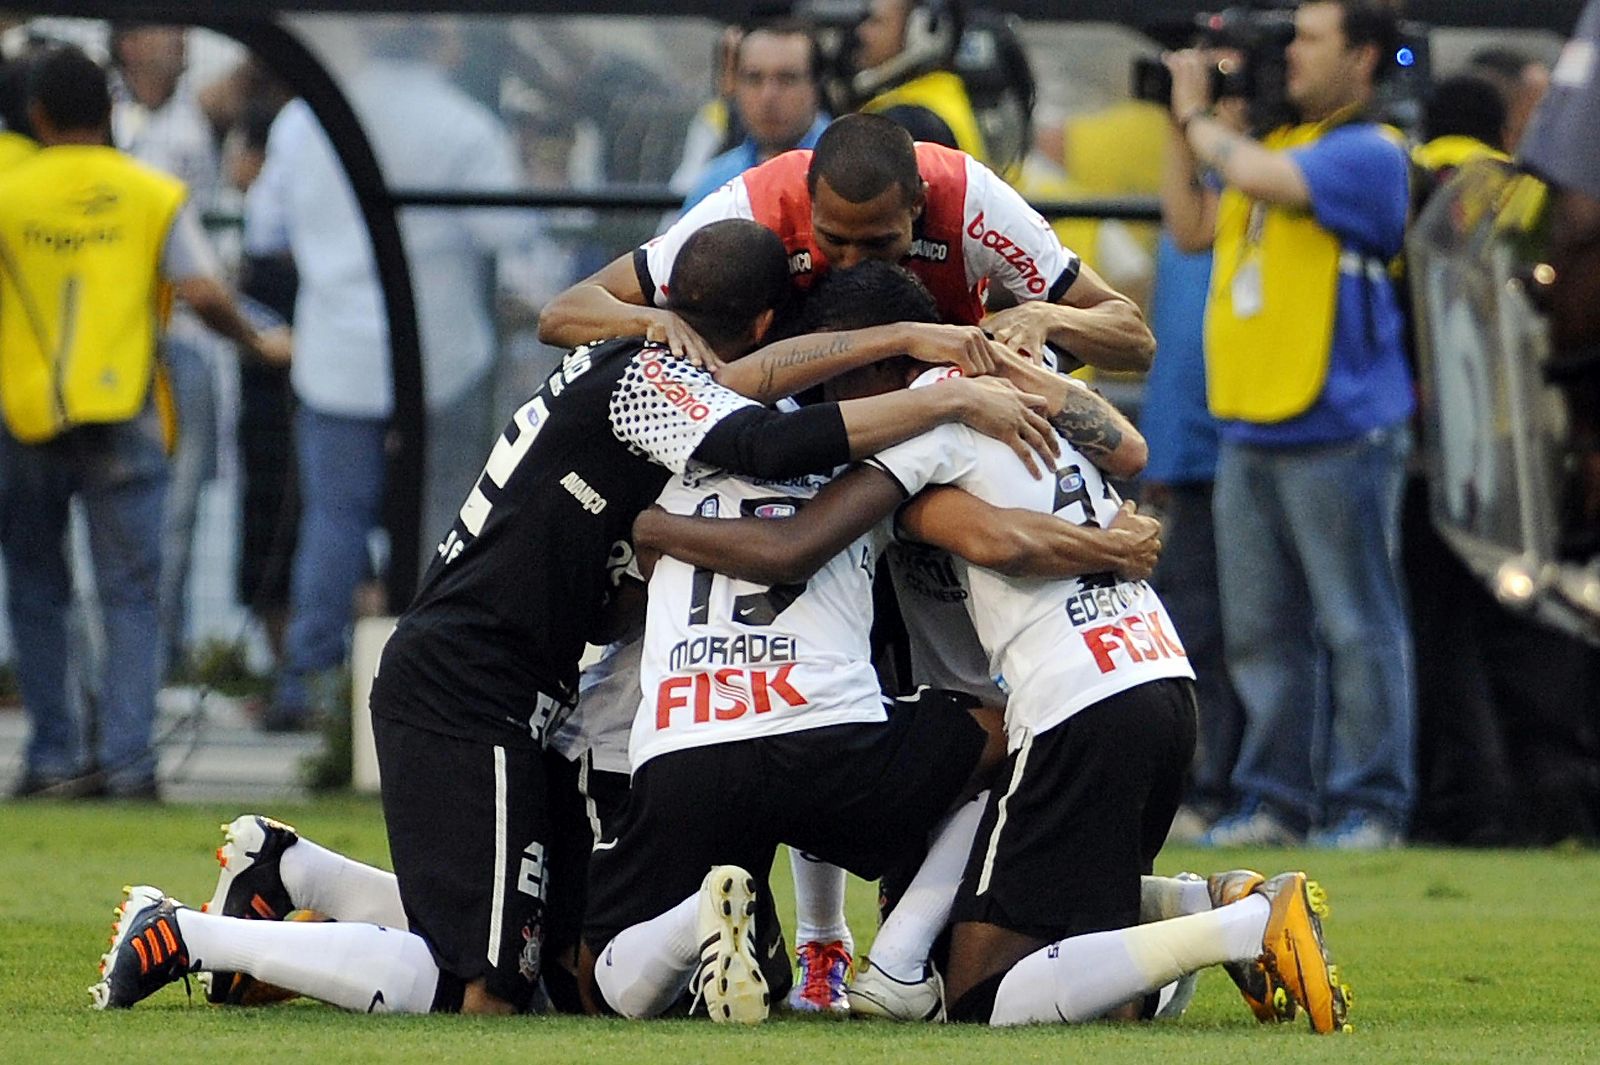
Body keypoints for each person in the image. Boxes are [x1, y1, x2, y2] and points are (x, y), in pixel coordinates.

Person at [89, 219, 1058, 1014]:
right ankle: (185, 933)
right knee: (484, 991)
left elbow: (740, 387)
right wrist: (952, 397)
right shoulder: (652, 381)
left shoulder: (634, 356)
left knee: (555, 952)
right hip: (473, 690)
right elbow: (770, 438)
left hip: (510, 686)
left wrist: (902, 346)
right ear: (763, 317)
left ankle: (287, 869)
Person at [631, 261, 1349, 1034]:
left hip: (1078, 704)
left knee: (977, 993)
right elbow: (1130, 448)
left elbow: (933, 539)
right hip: (1161, 677)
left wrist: (649, 528)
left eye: (840, 385)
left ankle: (1246, 928)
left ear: (879, 364)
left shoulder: (924, 416)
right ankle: (1205, 904)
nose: (834, 413)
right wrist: (1103, 533)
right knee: (1083, 969)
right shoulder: (1022, 376)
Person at [586, 263, 1160, 1026]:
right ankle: (893, 957)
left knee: (601, 969)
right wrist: (1109, 546)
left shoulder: (676, 456)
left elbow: (766, 535)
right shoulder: (925, 426)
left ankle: (724, 928)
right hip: (846, 737)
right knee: (998, 737)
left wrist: (651, 532)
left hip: (685, 748)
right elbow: (1097, 469)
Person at [0, 47, 288, 800]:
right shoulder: (149, 192)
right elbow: (200, 287)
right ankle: (129, 762)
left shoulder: (8, 189)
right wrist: (260, 340)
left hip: (25, 415)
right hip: (126, 407)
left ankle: (55, 757)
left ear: (36, 116)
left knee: (37, 587)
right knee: (130, 591)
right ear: (110, 109)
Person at [1162, 0, 1416, 849]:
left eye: (1310, 39)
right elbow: (1190, 226)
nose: (1292, 56)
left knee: (1355, 624)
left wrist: (1200, 117)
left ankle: (1369, 803)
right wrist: (1181, 125)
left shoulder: (1369, 153)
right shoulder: (1268, 150)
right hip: (1252, 424)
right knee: (1262, 634)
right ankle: (1275, 799)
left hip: (1339, 424)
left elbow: (1267, 185)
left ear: (1366, 57)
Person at [250, 21, 529, 731]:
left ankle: (307, 684)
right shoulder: (465, 124)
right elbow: (513, 243)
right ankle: (433, 677)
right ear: (436, 43)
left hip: (335, 356)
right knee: (445, 521)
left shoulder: (302, 121)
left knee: (332, 523)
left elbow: (265, 231)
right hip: (443, 356)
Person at [539, 112, 1154, 378]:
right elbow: (565, 312)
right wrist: (654, 323)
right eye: (834, 240)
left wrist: (1042, 315)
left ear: (919, 205)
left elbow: (1132, 338)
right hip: (794, 416)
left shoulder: (971, 199)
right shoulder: (755, 203)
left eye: (881, 243)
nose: (853, 262)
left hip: (946, 409)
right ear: (807, 199)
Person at [109, 23, 226, 677]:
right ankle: (110, 677)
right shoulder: (103, 122)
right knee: (107, 532)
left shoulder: (192, 121)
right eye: (163, 27)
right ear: (127, 40)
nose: (179, 40)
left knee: (176, 518)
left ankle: (156, 664)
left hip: (181, 344)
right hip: (115, 350)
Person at [681, 20, 830, 211]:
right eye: (753, 78)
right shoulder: (716, 181)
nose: (768, 96)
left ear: (816, 86)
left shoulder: (848, 170)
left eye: (787, 79)